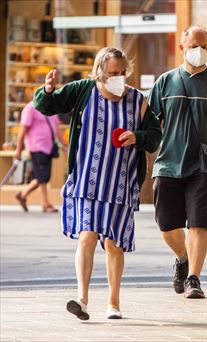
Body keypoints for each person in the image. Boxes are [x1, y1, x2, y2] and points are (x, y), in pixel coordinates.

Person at [33, 47, 162, 320]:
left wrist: (137, 137)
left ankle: (113, 303)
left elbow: (154, 136)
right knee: (87, 236)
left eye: (121, 73)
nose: (118, 77)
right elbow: (47, 106)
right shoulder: (83, 90)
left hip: (120, 184)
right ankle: (82, 298)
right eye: (112, 73)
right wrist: (46, 90)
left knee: (114, 243)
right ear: (99, 72)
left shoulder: (137, 100)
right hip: (86, 182)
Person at [148, 26, 207, 299]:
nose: (199, 51)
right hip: (168, 165)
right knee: (167, 226)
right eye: (194, 45)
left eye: (204, 46)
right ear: (182, 48)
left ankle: (194, 278)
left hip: (204, 167)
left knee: (199, 224)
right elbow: (149, 124)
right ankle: (182, 258)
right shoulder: (165, 83)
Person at [13, 102, 67, 213]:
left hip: (49, 148)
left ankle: (23, 194)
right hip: (36, 146)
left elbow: (57, 129)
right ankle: (45, 203)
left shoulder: (52, 107)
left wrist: (65, 146)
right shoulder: (30, 108)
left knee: (43, 177)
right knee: (42, 176)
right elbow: (22, 130)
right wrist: (18, 150)